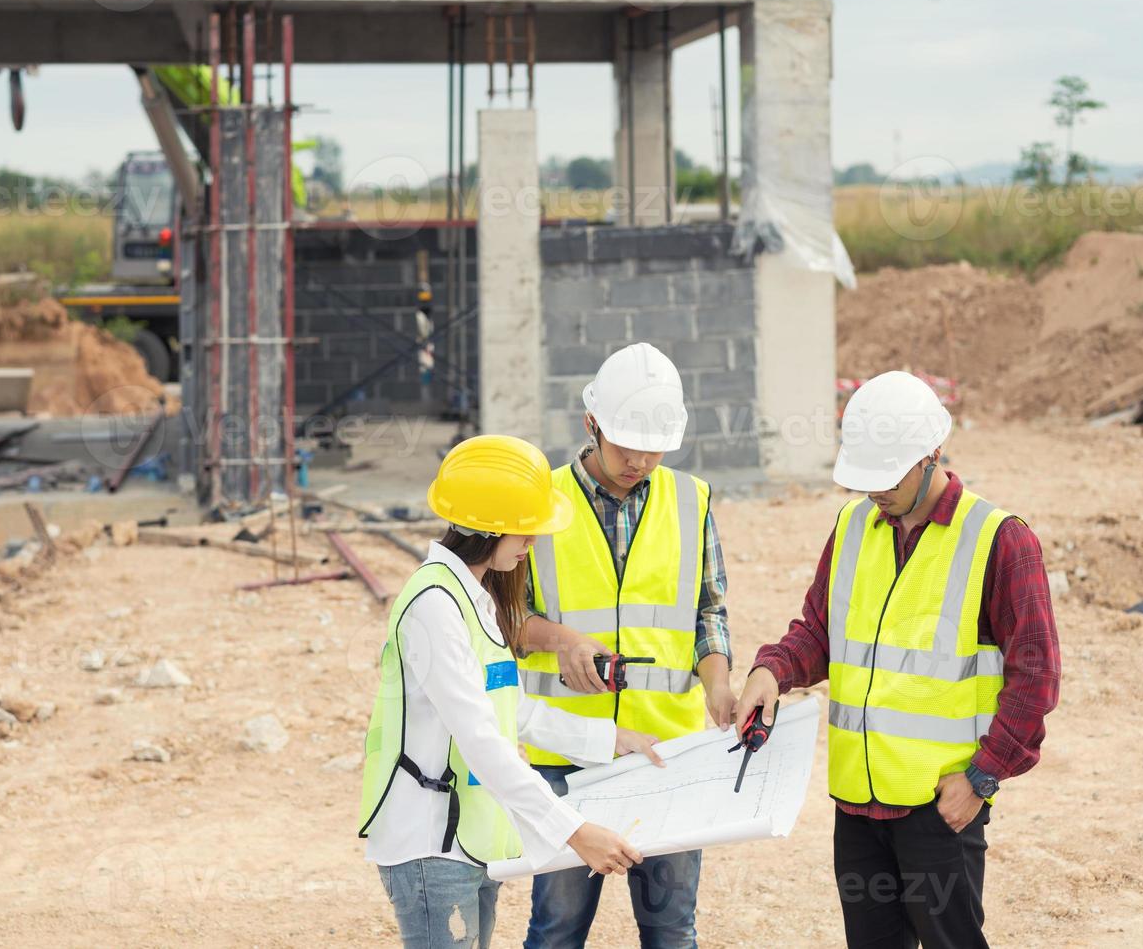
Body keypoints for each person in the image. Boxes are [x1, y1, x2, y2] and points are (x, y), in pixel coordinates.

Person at [735, 371, 1061, 949]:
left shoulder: (999, 539)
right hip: (858, 803)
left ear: (931, 455)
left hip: (940, 805)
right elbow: (819, 630)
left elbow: (1035, 678)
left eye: (886, 477)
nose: (874, 492)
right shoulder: (854, 526)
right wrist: (773, 670)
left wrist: (982, 778)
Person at [360, 434, 666, 949]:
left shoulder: (472, 596)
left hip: (469, 837)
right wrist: (573, 831)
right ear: (487, 529)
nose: (532, 543)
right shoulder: (436, 604)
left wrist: (609, 738)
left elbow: (510, 709)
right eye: (524, 531)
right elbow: (481, 739)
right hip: (430, 844)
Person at [518, 342, 735, 949]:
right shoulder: (540, 503)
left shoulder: (692, 499)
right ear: (592, 425)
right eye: (625, 444)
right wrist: (558, 639)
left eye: (654, 446)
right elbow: (501, 617)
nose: (640, 458)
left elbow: (708, 610)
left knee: (670, 928)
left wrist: (717, 679)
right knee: (557, 926)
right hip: (566, 751)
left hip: (668, 749)